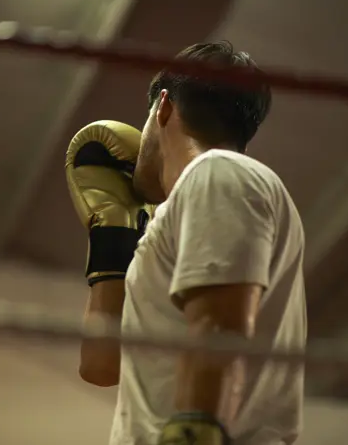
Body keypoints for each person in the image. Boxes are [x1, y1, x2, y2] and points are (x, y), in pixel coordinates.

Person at [65, 41, 306, 445]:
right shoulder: (180, 214)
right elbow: (102, 366)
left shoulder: (219, 175)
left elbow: (219, 331)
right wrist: (112, 231)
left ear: (162, 107)